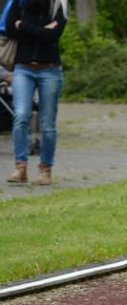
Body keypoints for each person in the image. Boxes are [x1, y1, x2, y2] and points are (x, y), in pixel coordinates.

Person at [4, 0, 67, 186]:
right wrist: (42, 30)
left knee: (47, 123)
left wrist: (23, 26)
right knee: (21, 115)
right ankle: (20, 166)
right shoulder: (19, 2)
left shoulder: (59, 4)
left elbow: (53, 36)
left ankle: (45, 168)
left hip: (50, 70)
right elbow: (9, 30)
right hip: (23, 68)